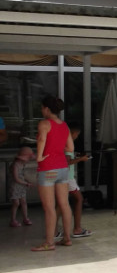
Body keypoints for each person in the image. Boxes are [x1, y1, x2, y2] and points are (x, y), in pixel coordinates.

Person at [32, 95, 74, 251]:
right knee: (64, 204)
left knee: (49, 208)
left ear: (47, 109)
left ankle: (49, 243)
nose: (41, 110)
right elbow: (70, 148)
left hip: (48, 168)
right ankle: (67, 238)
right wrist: (57, 148)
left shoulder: (44, 123)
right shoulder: (64, 125)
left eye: (42, 108)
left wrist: (39, 156)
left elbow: (41, 140)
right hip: (62, 168)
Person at [54, 123, 92, 239]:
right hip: (67, 178)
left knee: (60, 203)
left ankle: (53, 231)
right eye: (77, 134)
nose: (77, 137)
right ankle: (77, 229)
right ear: (72, 133)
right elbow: (67, 162)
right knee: (79, 199)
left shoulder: (61, 143)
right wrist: (81, 159)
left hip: (61, 176)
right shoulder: (68, 145)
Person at [9, 146, 35, 228]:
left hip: (21, 186)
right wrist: (26, 183)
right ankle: (13, 220)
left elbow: (22, 176)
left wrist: (27, 181)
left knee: (23, 202)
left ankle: (25, 218)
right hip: (15, 187)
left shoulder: (22, 164)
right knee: (16, 203)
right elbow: (16, 178)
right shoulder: (15, 165)